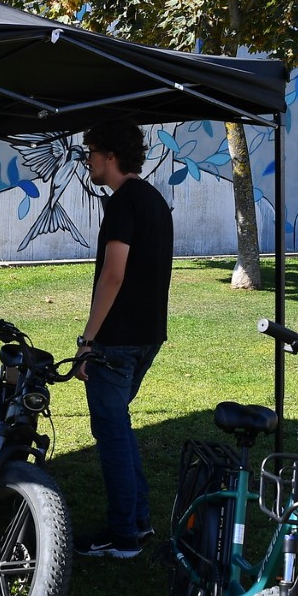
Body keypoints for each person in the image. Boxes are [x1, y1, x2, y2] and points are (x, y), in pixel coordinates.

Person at [73, 120, 173, 559]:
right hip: (147, 336)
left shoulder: (122, 203)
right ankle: (138, 522)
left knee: (111, 434)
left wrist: (87, 340)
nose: (88, 162)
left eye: (91, 153)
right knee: (120, 428)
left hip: (117, 342)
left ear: (109, 156)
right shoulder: (153, 199)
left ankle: (123, 535)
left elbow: (113, 274)